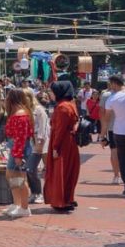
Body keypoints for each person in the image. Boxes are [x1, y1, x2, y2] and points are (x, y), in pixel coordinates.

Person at [44, 81, 81, 210]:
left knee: (60, 171)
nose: (50, 94)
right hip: (69, 142)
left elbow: (60, 129)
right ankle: (67, 199)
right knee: (68, 171)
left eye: (52, 91)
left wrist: (55, 147)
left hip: (62, 143)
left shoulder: (62, 107)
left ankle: (61, 201)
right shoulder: (70, 105)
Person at [3, 88, 34, 218]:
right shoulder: (21, 113)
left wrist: (18, 154)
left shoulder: (20, 115)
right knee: (12, 175)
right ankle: (18, 204)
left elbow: (20, 138)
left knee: (20, 177)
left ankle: (24, 207)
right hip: (18, 147)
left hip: (19, 148)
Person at [102, 75, 125, 196]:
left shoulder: (111, 99)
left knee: (123, 160)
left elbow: (106, 119)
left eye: (110, 84)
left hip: (119, 132)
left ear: (114, 84)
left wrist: (102, 135)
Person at [25, 87, 48, 205]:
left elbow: (43, 127)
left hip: (40, 143)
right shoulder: (28, 110)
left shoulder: (39, 110)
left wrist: (40, 141)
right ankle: (34, 192)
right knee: (29, 169)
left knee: (32, 168)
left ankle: (39, 193)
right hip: (31, 142)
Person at [99, 83, 121, 184]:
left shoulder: (106, 95)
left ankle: (116, 175)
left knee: (114, 151)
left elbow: (102, 114)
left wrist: (102, 134)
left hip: (112, 128)